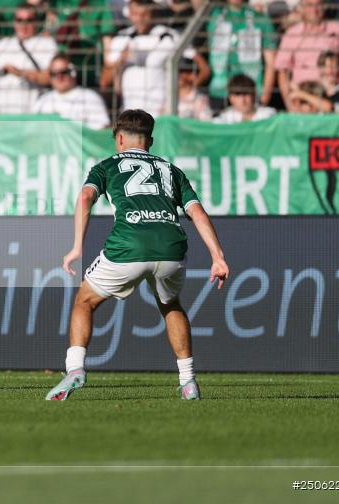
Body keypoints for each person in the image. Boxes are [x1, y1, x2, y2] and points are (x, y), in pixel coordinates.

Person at [46, 109, 229, 401]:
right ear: (150, 141)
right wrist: (217, 257)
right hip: (171, 248)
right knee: (171, 304)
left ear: (119, 139)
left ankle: (75, 369)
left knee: (84, 301)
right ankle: (188, 381)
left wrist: (77, 247)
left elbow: (85, 197)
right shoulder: (171, 170)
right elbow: (197, 212)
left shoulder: (107, 166)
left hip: (128, 246)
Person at [103, 0, 191, 118]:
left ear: (153, 14)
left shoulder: (169, 36)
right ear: (129, 14)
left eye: (145, 14)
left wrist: (179, 100)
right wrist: (120, 61)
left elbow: (195, 69)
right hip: (130, 116)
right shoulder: (121, 38)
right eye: (135, 14)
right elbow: (105, 80)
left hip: (162, 113)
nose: (140, 19)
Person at [274, 0, 339, 105]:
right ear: (301, 6)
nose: (314, 10)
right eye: (310, 5)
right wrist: (290, 104)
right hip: (302, 99)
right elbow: (282, 72)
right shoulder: (291, 34)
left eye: (319, 5)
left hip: (332, 97)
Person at [203, 0, 277, 110]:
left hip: (250, 90)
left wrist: (266, 93)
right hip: (219, 89)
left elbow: (271, 61)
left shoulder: (260, 18)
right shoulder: (214, 15)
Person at [0, 4, 57, 114]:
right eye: (19, 20)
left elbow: (51, 79)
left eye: (29, 20)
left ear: (36, 22)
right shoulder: (3, 45)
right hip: (4, 117)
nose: (23, 25)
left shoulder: (47, 44)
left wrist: (20, 73)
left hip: (34, 115)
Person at [32, 54, 109, 129]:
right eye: (54, 73)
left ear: (73, 73)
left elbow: (101, 129)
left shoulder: (90, 98)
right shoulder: (42, 101)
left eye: (64, 72)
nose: (59, 77)